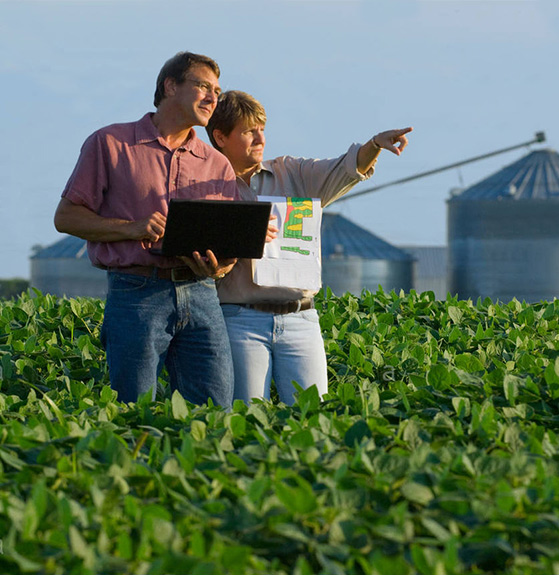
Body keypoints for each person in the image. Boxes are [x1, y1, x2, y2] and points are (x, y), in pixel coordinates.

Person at [54, 52, 240, 407]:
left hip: (201, 292)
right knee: (132, 408)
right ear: (170, 86)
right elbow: (66, 217)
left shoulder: (218, 163)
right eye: (203, 86)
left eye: (217, 90)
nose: (213, 98)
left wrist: (219, 267)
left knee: (216, 410)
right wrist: (132, 228)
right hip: (136, 292)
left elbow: (226, 246)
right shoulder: (109, 143)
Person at [206, 90, 412, 405]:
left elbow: (344, 168)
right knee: (245, 416)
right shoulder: (204, 186)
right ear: (220, 137)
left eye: (262, 128)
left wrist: (374, 146)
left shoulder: (294, 173)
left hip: (301, 319)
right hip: (239, 320)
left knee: (312, 415)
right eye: (249, 131)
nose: (260, 137)